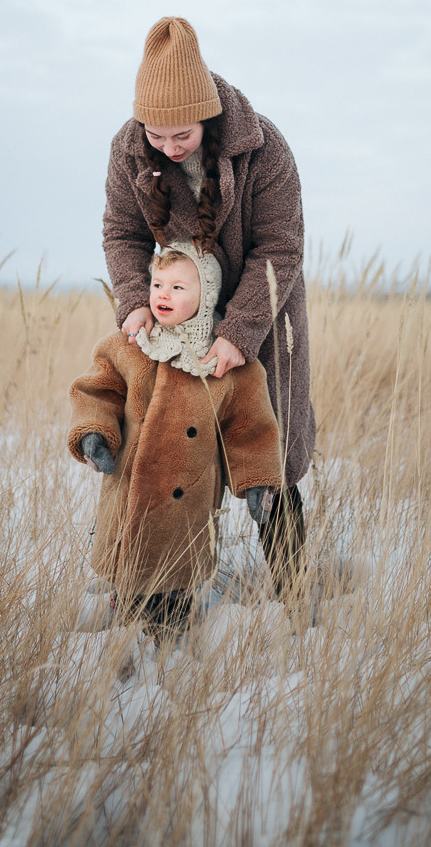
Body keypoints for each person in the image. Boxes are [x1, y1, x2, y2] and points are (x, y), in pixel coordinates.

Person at [102, 16, 317, 603]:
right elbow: (122, 233)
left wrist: (239, 332)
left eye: (182, 135)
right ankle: (159, 597)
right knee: (170, 453)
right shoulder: (128, 150)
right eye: (156, 135)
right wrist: (134, 301)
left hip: (261, 315)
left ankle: (295, 593)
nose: (168, 148)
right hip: (174, 320)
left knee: (268, 451)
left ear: (208, 114)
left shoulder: (264, 148)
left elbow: (280, 247)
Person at [68, 241, 283, 639]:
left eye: (178, 287)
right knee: (128, 567)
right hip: (129, 484)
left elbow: (249, 429)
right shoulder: (131, 345)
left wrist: (256, 481)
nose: (163, 295)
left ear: (207, 294)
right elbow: (98, 391)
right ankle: (124, 613)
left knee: (175, 577)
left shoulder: (227, 362)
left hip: (188, 496)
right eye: (158, 284)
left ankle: (173, 625)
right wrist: (94, 432)